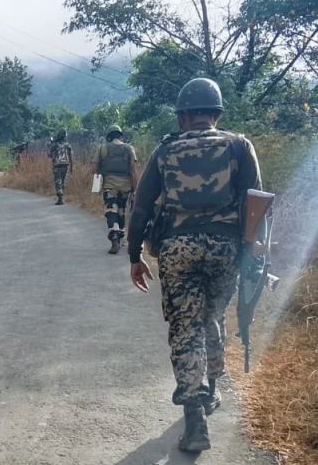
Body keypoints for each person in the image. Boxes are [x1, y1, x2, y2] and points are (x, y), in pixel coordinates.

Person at [126, 78, 261, 452]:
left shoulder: (165, 150)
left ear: (184, 117)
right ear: (216, 114)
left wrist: (134, 255)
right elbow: (256, 204)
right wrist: (251, 253)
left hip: (177, 248)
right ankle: (211, 389)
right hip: (224, 248)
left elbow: (141, 208)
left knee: (185, 326)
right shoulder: (238, 145)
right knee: (212, 319)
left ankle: (195, 417)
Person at [95, 125, 139, 254]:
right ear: (120, 135)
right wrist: (135, 189)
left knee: (111, 211)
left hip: (109, 185)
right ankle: (121, 235)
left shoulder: (102, 148)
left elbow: (95, 169)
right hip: (125, 186)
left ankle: (114, 235)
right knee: (121, 211)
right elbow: (133, 170)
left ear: (109, 136)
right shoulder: (129, 148)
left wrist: (97, 184)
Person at [48, 129, 73, 205]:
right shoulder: (67, 144)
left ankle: (60, 198)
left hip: (57, 165)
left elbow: (49, 155)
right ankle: (61, 197)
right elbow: (70, 156)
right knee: (62, 181)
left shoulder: (55, 144)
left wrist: (50, 145)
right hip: (65, 165)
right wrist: (72, 166)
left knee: (57, 181)